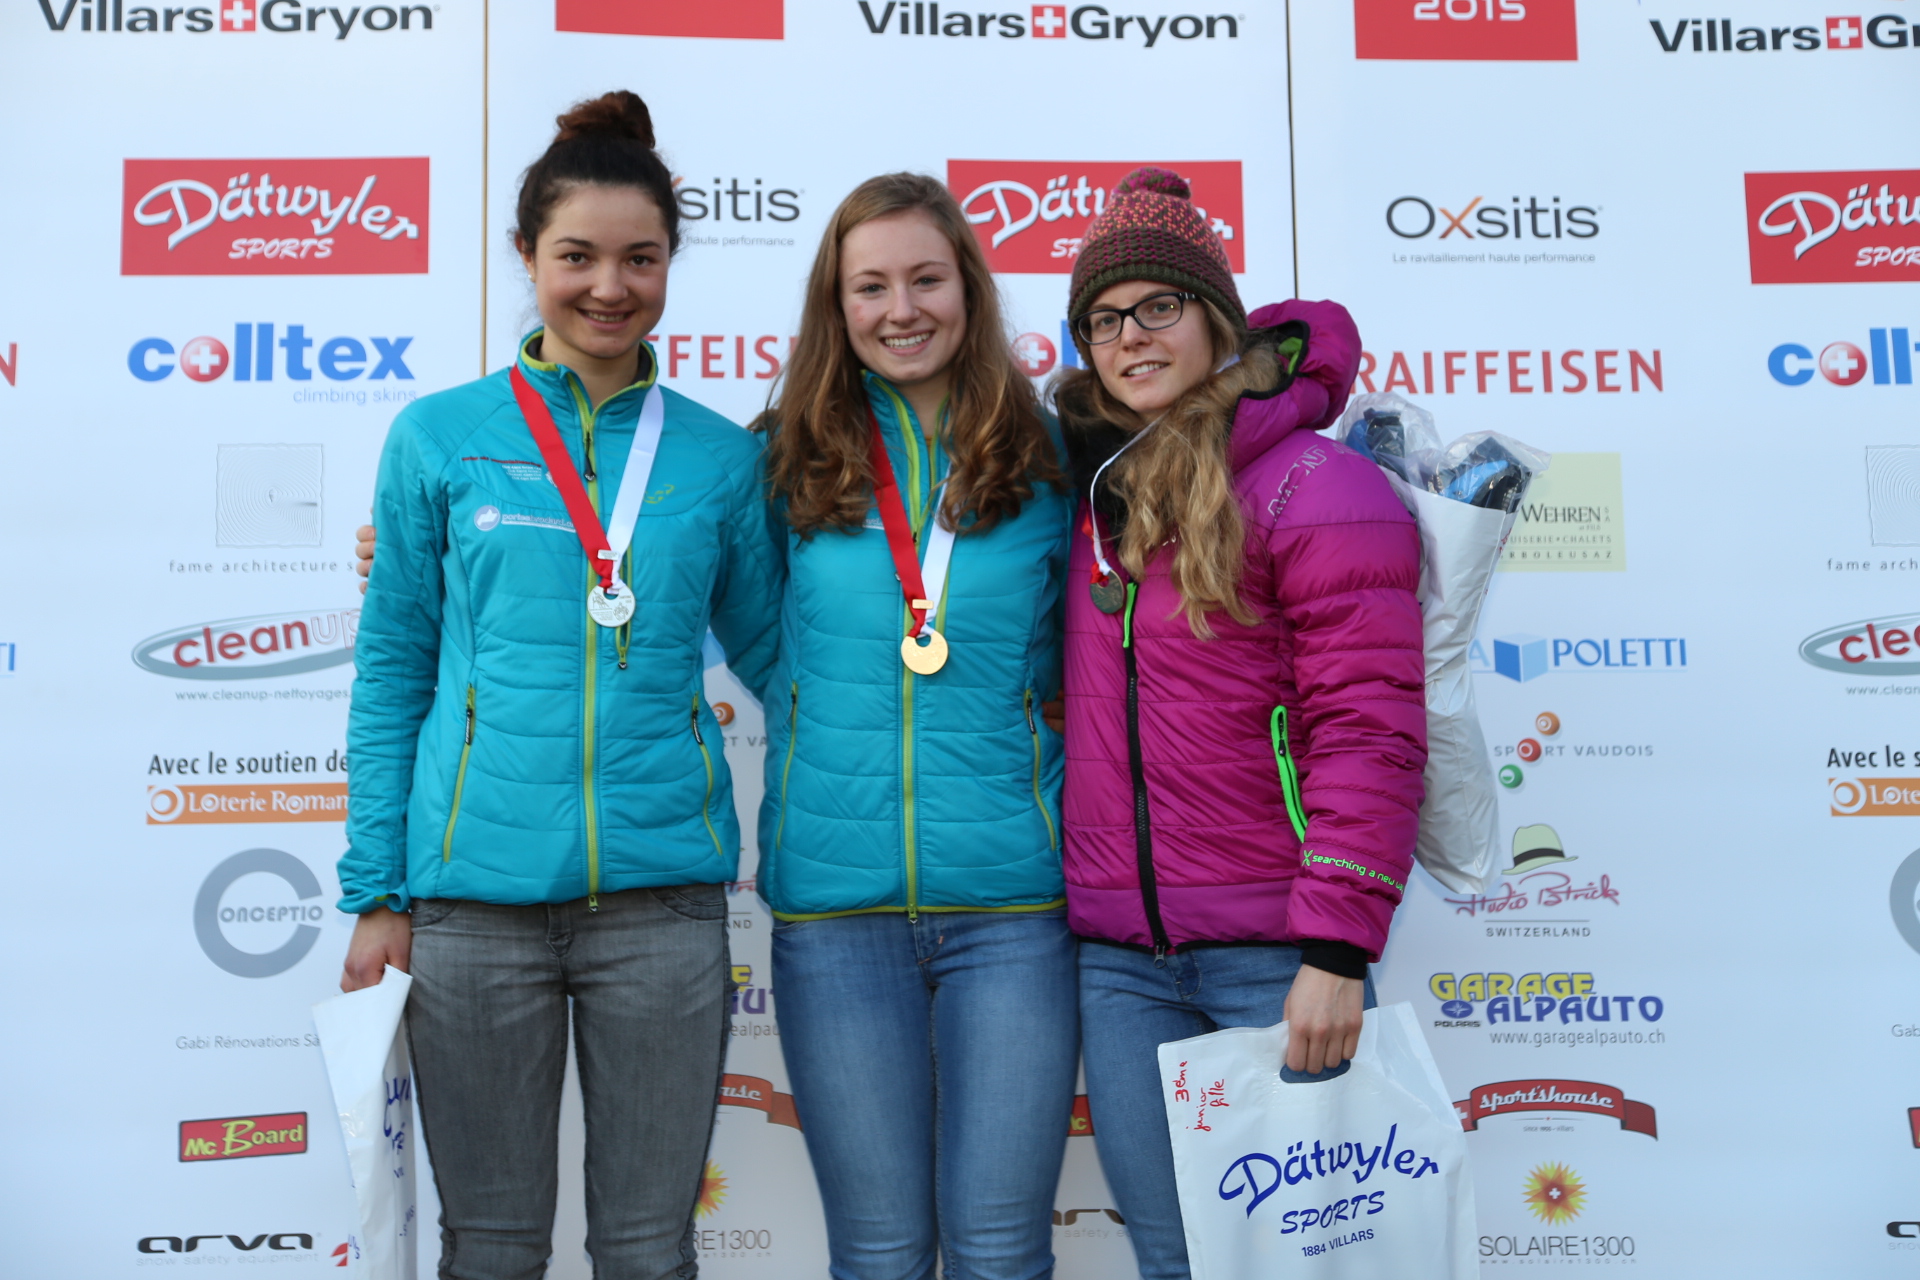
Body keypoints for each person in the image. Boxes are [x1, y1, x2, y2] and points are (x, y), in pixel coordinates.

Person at [337, 91, 781, 1280]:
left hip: (661, 908)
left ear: (671, 262)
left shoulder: (720, 456)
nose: (609, 287)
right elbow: (392, 671)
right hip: (471, 909)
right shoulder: (439, 436)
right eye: (577, 256)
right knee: (490, 1249)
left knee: (647, 1249)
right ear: (527, 254)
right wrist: (377, 889)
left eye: (642, 258)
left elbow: (783, 652)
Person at [1053, 168, 1428, 1280]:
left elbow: (1369, 727)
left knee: (1302, 1265)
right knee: (1175, 1260)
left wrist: (1337, 949)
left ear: (1218, 319)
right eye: (1103, 319)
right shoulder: (1098, 498)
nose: (1130, 336)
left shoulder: (1317, 485)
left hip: (1277, 957)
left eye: (1157, 305)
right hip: (1124, 965)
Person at [755, 172, 1080, 1280]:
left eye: (927, 279)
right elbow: (693, 589)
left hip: (1013, 910)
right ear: (836, 304)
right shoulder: (782, 457)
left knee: (998, 1250)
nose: (902, 309)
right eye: (871, 285)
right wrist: (410, 549)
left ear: (970, 290)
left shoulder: (1049, 459)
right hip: (833, 913)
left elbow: (1078, 649)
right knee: (881, 1251)